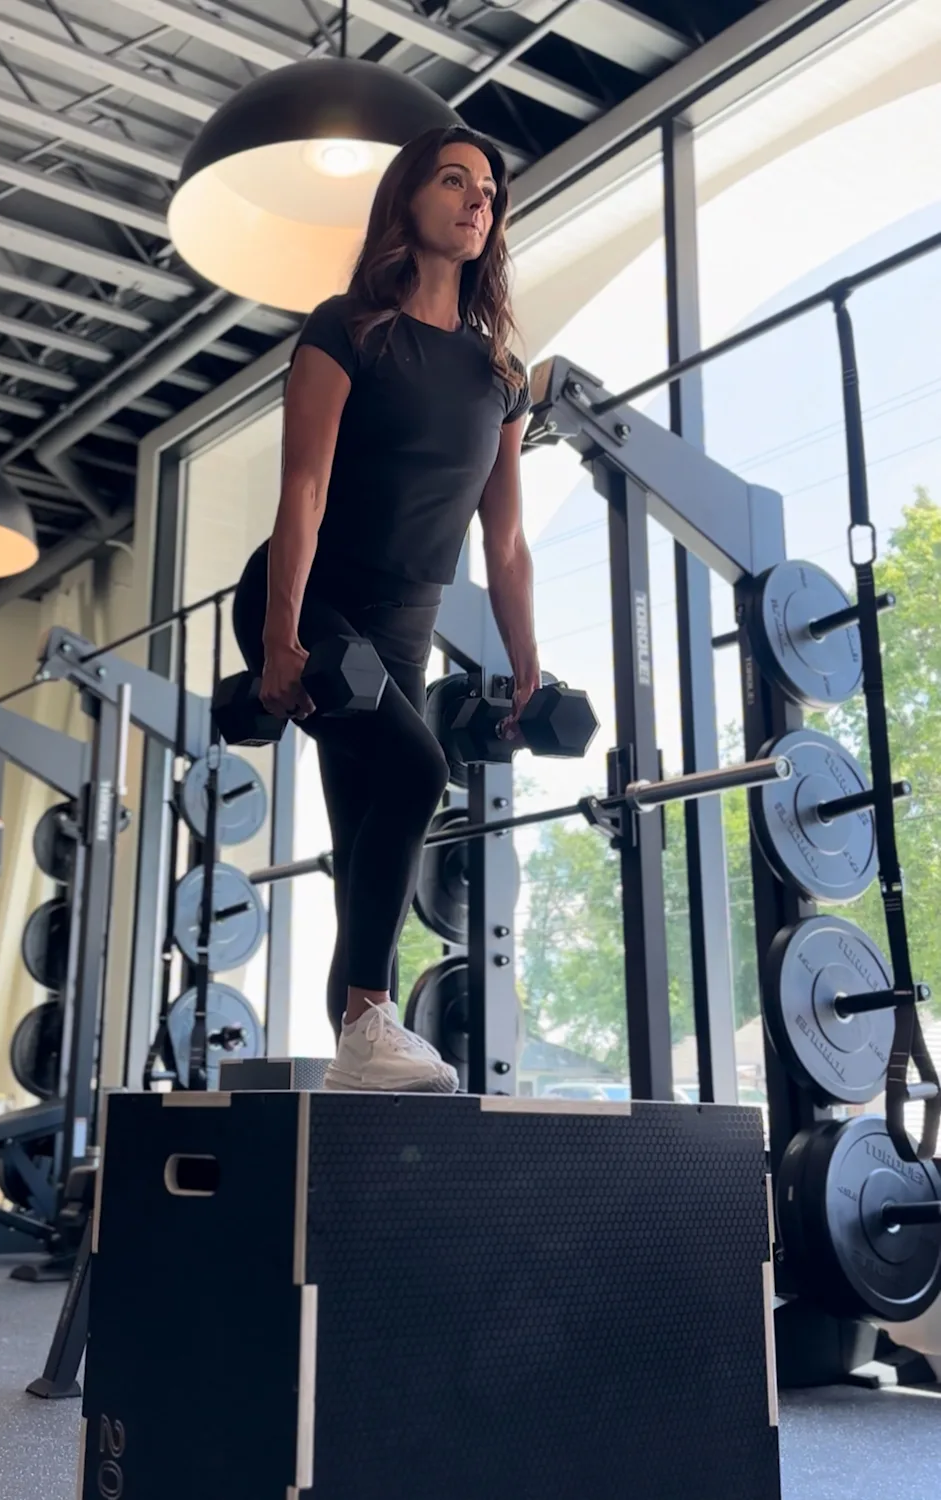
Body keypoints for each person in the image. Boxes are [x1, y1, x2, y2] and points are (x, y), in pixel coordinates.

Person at [231, 124, 539, 1093]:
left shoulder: (499, 375)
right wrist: (281, 637)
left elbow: (506, 539)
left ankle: (354, 1047)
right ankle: (370, 1019)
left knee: (370, 831)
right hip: (316, 600)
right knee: (416, 769)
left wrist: (526, 662)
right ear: (407, 200)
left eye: (487, 189)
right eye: (452, 181)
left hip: (405, 630)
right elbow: (304, 491)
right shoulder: (347, 327)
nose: (475, 199)